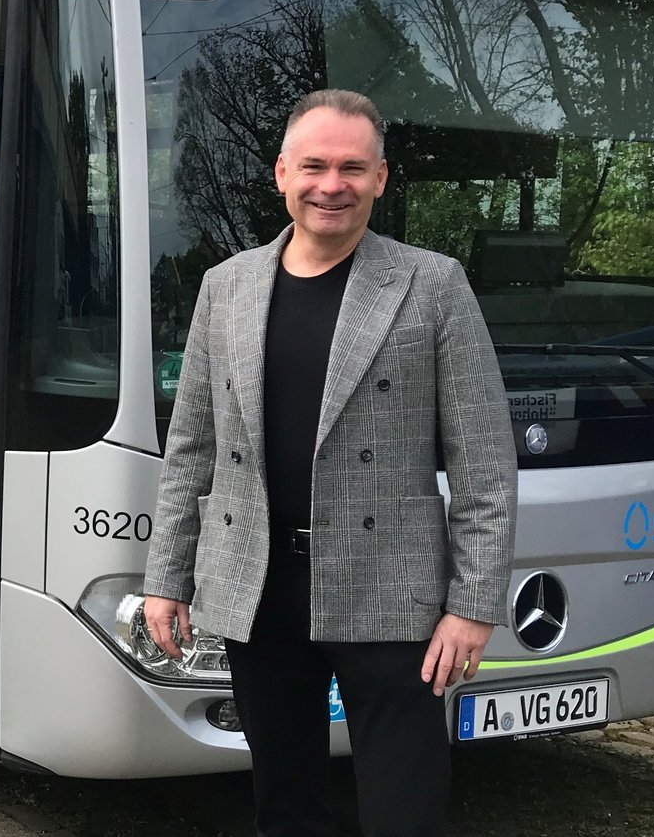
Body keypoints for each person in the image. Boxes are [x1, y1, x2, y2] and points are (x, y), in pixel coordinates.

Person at [142, 89, 515, 837]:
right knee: (285, 804)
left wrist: (473, 606)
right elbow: (192, 448)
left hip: (391, 592)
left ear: (381, 177)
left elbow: (485, 461)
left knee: (403, 813)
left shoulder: (432, 284)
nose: (331, 183)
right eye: (314, 165)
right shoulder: (227, 285)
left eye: (352, 166)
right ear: (282, 172)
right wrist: (165, 579)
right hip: (259, 587)